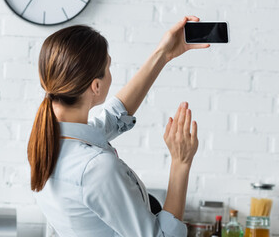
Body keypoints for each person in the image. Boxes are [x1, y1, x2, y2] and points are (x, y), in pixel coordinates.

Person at [28, 16, 209, 237]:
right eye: (109, 67)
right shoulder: (95, 168)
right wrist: (181, 162)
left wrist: (164, 54)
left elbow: (115, 115)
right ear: (96, 86)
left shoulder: (47, 144)